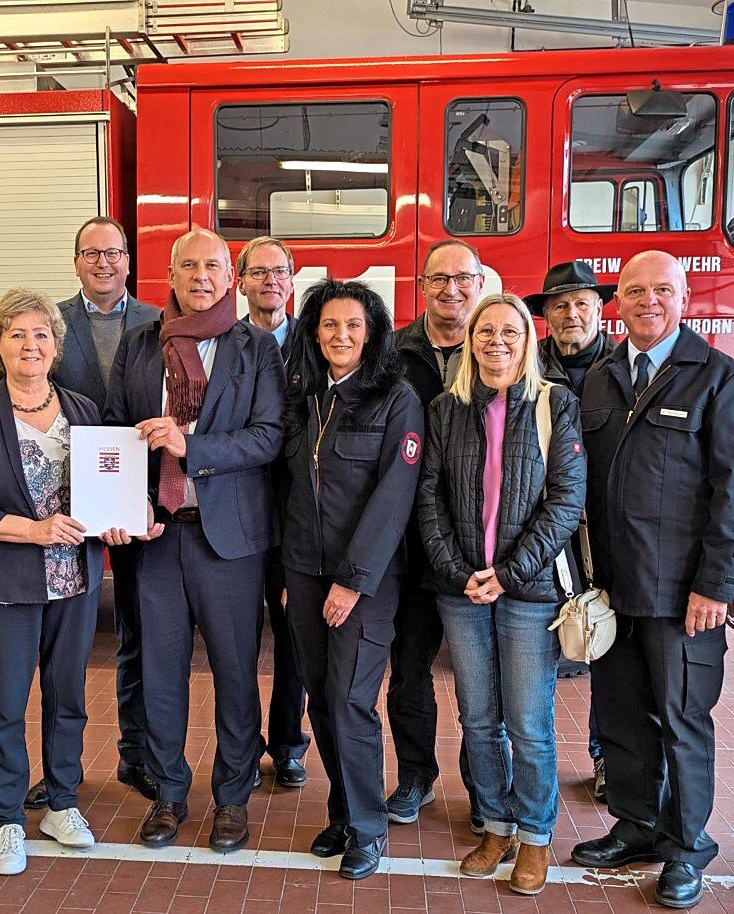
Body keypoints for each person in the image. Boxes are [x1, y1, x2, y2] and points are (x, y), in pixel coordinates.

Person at [570, 251, 734, 909]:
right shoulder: (598, 379)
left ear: (683, 299)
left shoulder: (716, 379)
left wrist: (716, 585)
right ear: (614, 303)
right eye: (632, 291)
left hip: (684, 596)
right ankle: (637, 825)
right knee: (622, 717)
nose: (646, 300)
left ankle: (685, 847)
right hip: (612, 590)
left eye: (660, 290)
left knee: (682, 721)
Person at [104, 227, 284, 854]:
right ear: (170, 275)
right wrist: (121, 509)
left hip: (228, 540)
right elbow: (115, 435)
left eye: (212, 265)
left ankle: (232, 797)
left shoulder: (256, 348)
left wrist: (192, 446)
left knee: (236, 673)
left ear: (229, 277)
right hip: (155, 537)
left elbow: (269, 437)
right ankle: (169, 793)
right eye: (189, 265)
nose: (201, 276)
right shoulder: (139, 345)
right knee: (159, 673)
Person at [0, 288, 114, 876]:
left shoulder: (84, 412)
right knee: (4, 705)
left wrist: (117, 522)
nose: (30, 344)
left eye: (41, 334)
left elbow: (106, 489)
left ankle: (61, 802)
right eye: (17, 335)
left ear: (57, 347)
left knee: (68, 700)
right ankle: (9, 816)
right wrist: (32, 531)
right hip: (2, 586)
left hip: (74, 582)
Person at [418, 291, 584, 893]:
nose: (496, 341)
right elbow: (428, 497)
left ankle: (536, 837)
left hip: (530, 590)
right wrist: (456, 568)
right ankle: (495, 822)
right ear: (470, 340)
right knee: (479, 717)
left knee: (528, 722)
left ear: (527, 340)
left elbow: (567, 502)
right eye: (485, 331)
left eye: (509, 332)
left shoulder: (554, 404)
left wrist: (508, 572)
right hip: (460, 588)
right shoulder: (445, 409)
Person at [278, 279, 422, 879]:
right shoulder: (304, 396)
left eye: (354, 326)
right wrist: (291, 573)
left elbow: (394, 498)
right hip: (304, 574)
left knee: (351, 700)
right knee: (321, 698)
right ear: (315, 332)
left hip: (362, 583)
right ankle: (342, 813)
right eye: (330, 325)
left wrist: (352, 581)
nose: (341, 336)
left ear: (373, 333)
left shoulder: (397, 398)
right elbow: (284, 490)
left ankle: (367, 827)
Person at [47, 216, 161, 807]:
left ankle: (134, 754)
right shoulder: (51, 324)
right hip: (62, 508)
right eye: (90, 253)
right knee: (57, 643)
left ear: (128, 261)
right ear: (76, 262)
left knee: (136, 635)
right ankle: (53, 765)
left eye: (114, 252)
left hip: (135, 504)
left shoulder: (159, 323)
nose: (103, 263)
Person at [388, 239, 486, 829]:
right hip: (410, 544)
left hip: (481, 544)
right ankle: (415, 777)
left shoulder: (505, 345)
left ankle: (485, 789)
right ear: (422, 286)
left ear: (480, 282)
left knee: (485, 679)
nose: (452, 290)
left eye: (463, 279)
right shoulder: (394, 352)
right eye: (439, 280)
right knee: (408, 669)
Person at [523, 260, 618, 800]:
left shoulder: (625, 366)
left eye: (581, 302)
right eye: (559, 305)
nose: (571, 313)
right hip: (547, 524)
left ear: (600, 308)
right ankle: (530, 759)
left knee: (607, 641)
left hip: (607, 523)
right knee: (538, 639)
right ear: (545, 316)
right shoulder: (526, 364)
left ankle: (606, 755)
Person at [237, 234, 309, 789]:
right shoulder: (227, 343)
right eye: (257, 272)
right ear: (240, 282)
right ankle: (240, 748)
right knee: (238, 638)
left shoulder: (314, 344)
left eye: (278, 271)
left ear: (293, 277)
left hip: (300, 519)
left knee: (294, 639)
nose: (269, 281)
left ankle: (287, 744)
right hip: (236, 514)